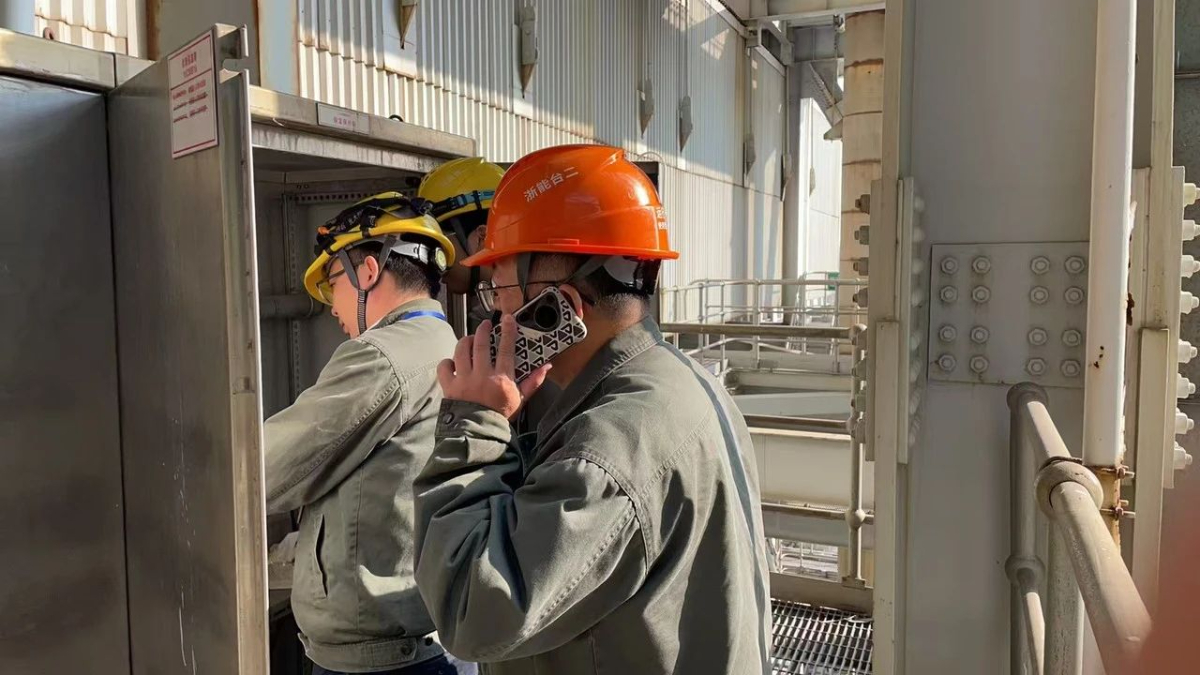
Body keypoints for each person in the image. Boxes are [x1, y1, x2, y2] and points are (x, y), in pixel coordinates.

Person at [412, 145, 772, 673]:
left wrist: (472, 425)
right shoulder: (682, 381)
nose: (496, 313)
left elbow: (469, 612)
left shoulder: (606, 449)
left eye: (500, 288)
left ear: (559, 304)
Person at [263, 193, 475, 675]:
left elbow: (267, 470)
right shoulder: (445, 344)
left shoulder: (383, 357)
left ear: (369, 271)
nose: (330, 306)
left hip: (381, 661)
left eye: (333, 282)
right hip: (426, 638)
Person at [417, 156, 505, 330]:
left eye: (439, 247)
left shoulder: (523, 313)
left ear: (483, 237)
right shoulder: (502, 311)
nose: (435, 262)